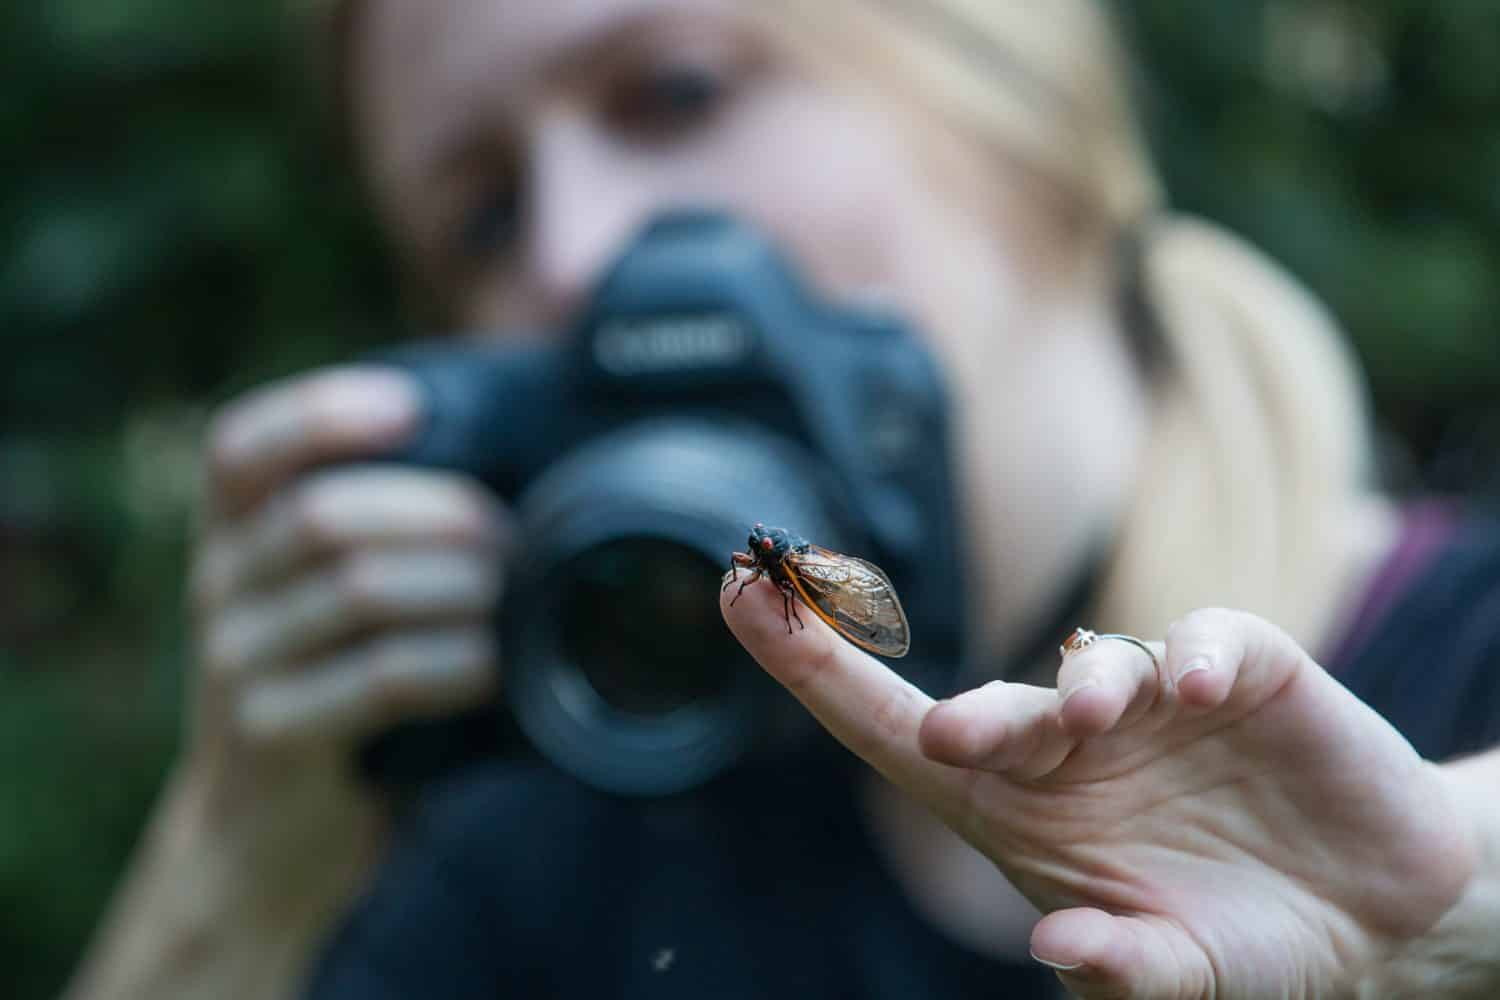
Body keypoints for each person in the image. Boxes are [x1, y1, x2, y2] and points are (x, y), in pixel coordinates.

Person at [65, 1, 1500, 997]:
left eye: (675, 89)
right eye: (482, 215)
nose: (571, 252)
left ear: (1022, 83)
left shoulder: (1469, 648)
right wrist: (240, 868)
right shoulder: (543, 873)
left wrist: (1444, 913)